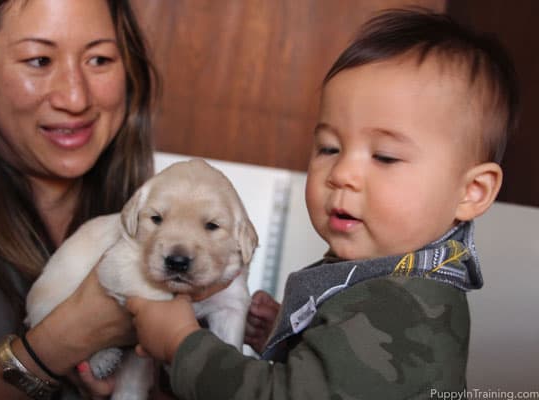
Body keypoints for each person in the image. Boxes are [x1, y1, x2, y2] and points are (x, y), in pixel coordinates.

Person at [126, 8, 520, 399]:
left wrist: (181, 343)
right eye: (329, 147)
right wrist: (291, 339)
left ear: (472, 191)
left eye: (384, 156)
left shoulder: (402, 309)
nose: (341, 173)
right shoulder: (391, 279)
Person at [0, 0, 158, 398]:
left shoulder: (156, 218)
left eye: (99, 59)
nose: (75, 98)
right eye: (39, 60)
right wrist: (56, 345)